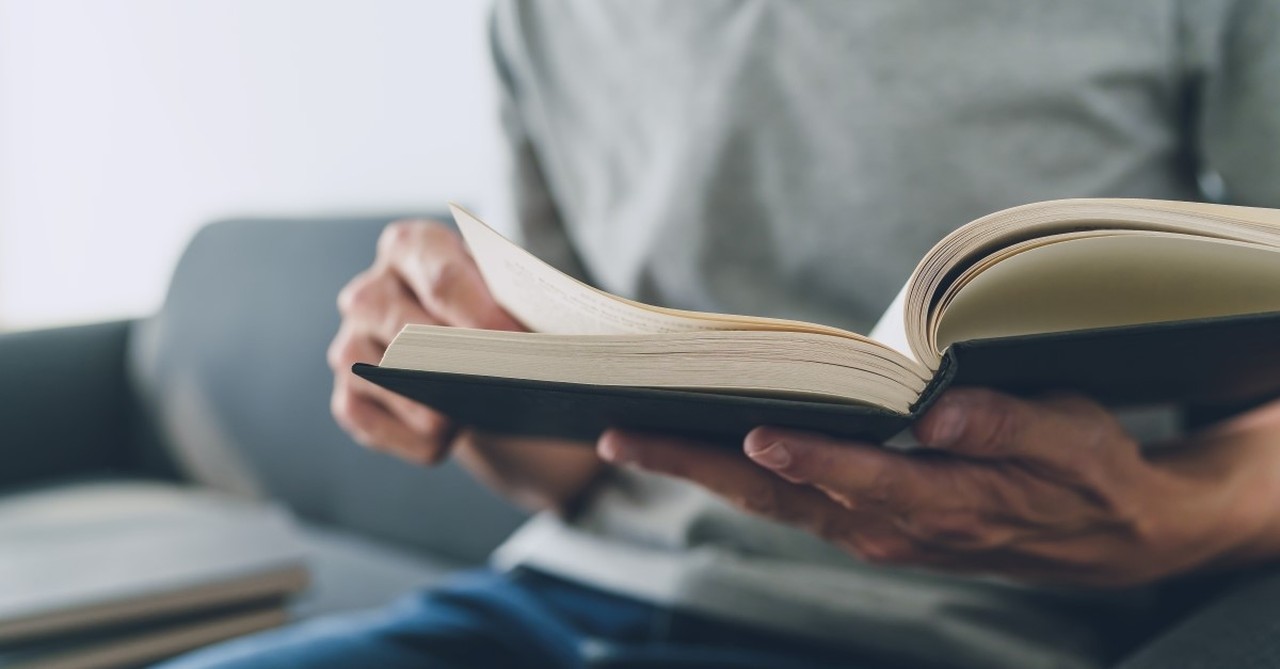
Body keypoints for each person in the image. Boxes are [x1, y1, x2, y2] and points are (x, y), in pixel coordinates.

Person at [160, 1, 1280, 668]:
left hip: (960, 633)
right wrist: (434, 374)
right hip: (549, 602)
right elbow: (574, 463)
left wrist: (1177, 518)